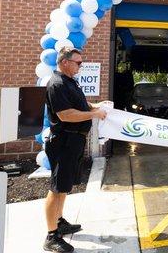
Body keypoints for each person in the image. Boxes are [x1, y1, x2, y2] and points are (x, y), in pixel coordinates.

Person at [43, 47, 108, 252]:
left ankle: (59, 222)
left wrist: (95, 106)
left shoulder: (70, 82)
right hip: (63, 142)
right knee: (56, 187)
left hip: (73, 142)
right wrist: (95, 115)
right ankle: (51, 236)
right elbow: (66, 114)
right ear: (64, 62)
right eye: (78, 63)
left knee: (64, 186)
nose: (80, 66)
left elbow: (79, 104)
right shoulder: (57, 84)